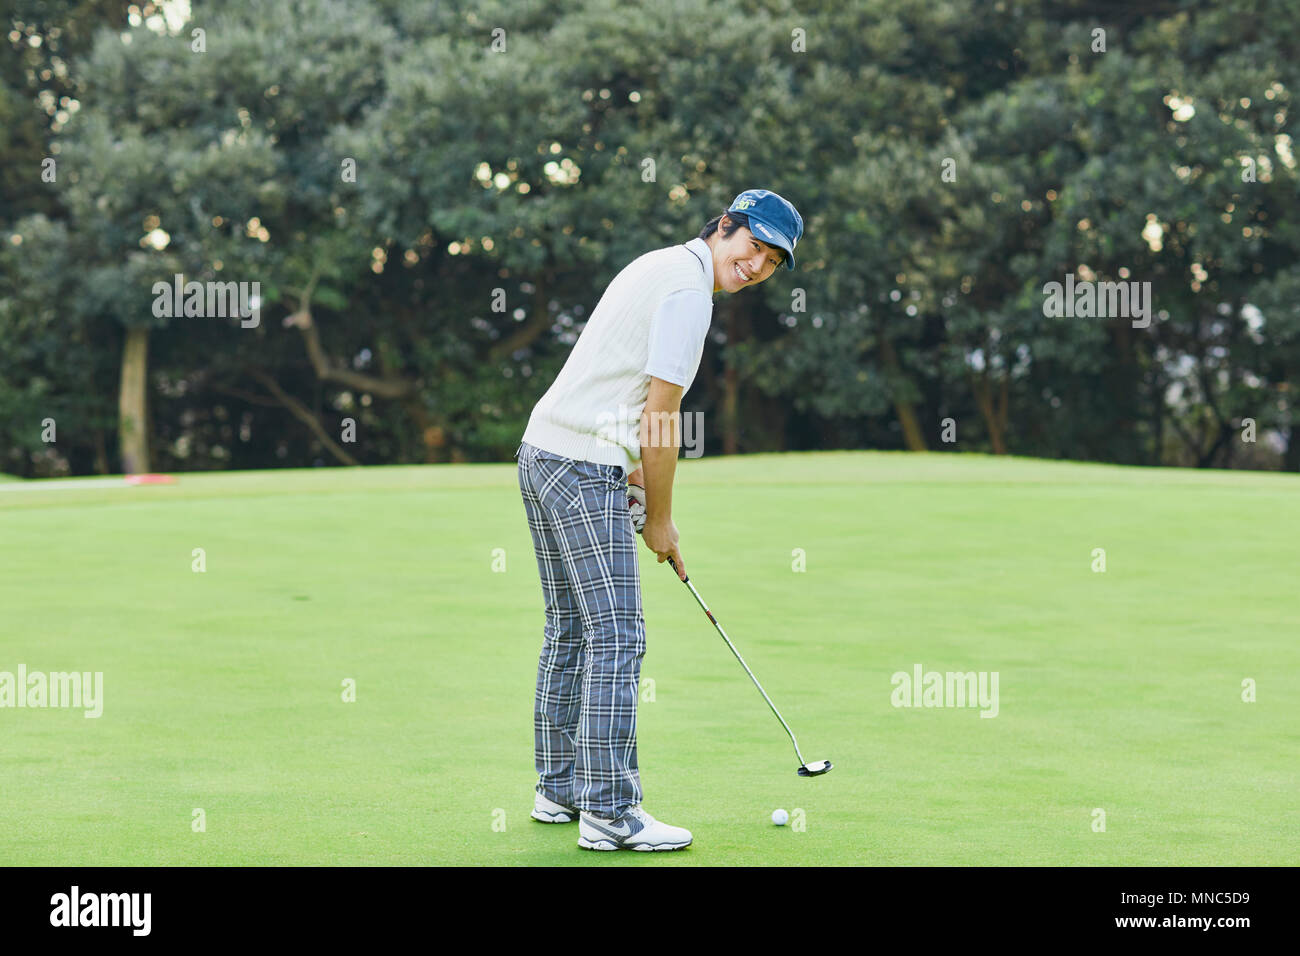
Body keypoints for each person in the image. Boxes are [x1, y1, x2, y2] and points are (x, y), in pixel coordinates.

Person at [514, 188, 805, 851]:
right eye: (752, 246)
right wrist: (661, 520)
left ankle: (559, 789)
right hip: (579, 464)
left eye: (772, 260)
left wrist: (637, 476)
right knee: (617, 632)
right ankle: (611, 811)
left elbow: (620, 389)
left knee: (572, 629)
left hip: (545, 452)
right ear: (725, 227)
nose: (757, 265)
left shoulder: (661, 266)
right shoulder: (687, 293)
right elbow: (661, 416)